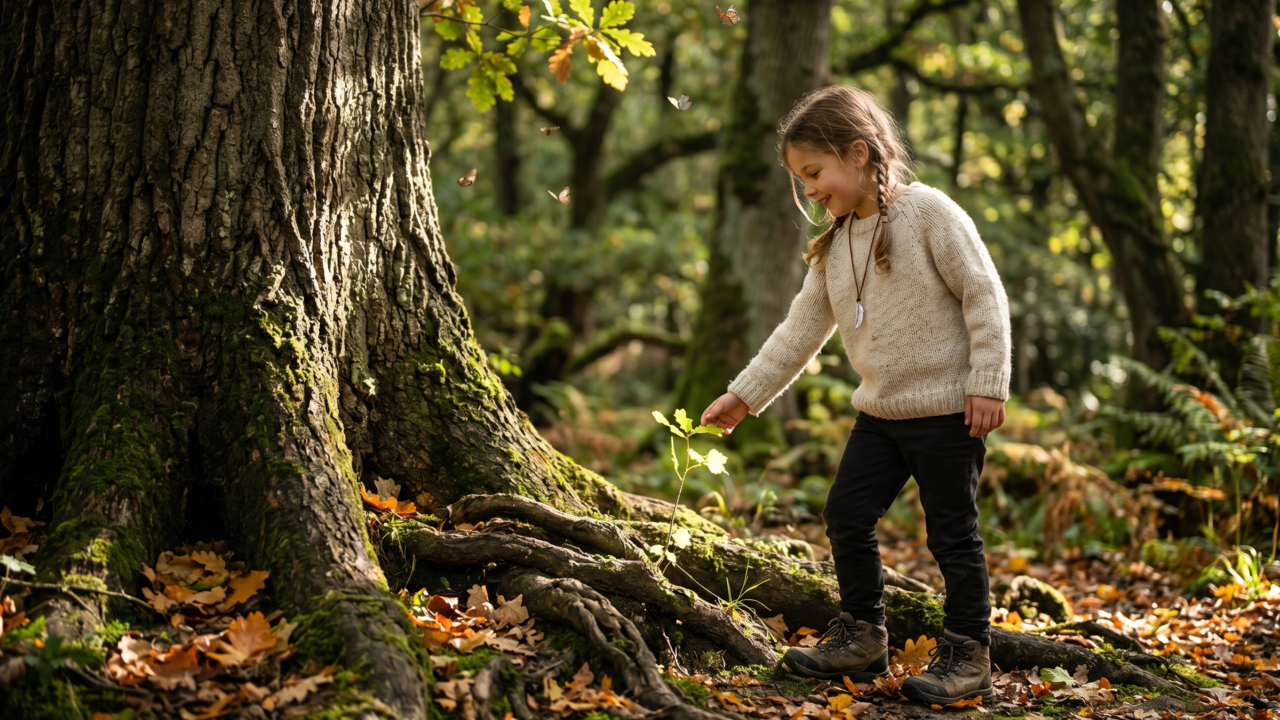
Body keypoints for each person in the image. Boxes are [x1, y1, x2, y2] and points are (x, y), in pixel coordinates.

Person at [700, 86, 1011, 706]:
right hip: (881, 414)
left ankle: (968, 654)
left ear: (860, 152)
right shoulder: (835, 246)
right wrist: (744, 395)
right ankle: (865, 638)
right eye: (800, 178)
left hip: (950, 410)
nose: (810, 190)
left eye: (814, 173)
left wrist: (988, 383)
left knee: (952, 534)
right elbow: (799, 331)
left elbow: (984, 294)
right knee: (846, 514)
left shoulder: (929, 213)